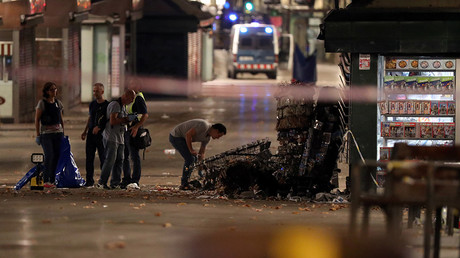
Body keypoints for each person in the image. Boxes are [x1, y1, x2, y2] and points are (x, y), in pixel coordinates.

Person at [169, 119, 226, 190]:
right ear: (216, 131)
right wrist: (191, 150)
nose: (218, 138)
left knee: (194, 158)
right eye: (219, 135)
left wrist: (200, 169)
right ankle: (184, 183)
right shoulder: (204, 126)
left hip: (183, 138)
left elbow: (201, 153)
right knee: (190, 159)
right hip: (176, 136)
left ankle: (187, 181)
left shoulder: (207, 139)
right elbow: (188, 134)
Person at [96, 89, 136, 189]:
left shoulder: (123, 106)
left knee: (119, 160)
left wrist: (129, 119)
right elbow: (113, 121)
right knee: (110, 160)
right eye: (132, 98)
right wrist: (126, 119)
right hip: (111, 137)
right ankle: (102, 182)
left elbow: (121, 120)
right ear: (126, 96)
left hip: (120, 137)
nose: (132, 101)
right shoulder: (115, 105)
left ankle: (115, 183)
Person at [34, 82, 64, 188]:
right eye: (52, 89)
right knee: (49, 155)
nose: (54, 91)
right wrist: (38, 135)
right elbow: (37, 119)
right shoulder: (42, 103)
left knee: (56, 156)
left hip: (58, 133)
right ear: (47, 91)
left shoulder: (58, 103)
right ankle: (46, 179)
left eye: (55, 89)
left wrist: (63, 132)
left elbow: (60, 118)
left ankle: (52, 179)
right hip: (46, 134)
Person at [81, 83, 109, 187]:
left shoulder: (107, 105)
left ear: (102, 92)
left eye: (97, 91)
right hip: (91, 135)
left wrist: (100, 127)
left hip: (102, 136)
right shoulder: (92, 104)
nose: (95, 93)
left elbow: (109, 120)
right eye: (94, 91)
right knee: (89, 158)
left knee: (103, 158)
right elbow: (90, 118)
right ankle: (89, 181)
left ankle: (103, 181)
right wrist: (85, 131)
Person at [121, 88, 148, 190]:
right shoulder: (130, 100)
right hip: (128, 129)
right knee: (126, 156)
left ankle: (135, 180)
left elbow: (144, 115)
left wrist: (136, 127)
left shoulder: (138, 98)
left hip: (133, 130)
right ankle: (127, 179)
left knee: (134, 156)